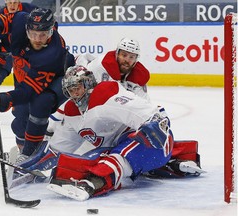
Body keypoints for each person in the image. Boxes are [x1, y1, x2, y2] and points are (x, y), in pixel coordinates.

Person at [47, 38, 203, 177]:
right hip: (94, 116)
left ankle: (163, 155)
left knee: (138, 140)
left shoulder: (138, 80)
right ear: (117, 54)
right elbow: (77, 95)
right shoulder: (100, 67)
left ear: (136, 59)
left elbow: (141, 106)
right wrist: (54, 123)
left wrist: (145, 126)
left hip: (114, 122)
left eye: (131, 57)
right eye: (123, 55)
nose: (126, 60)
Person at [17, 65, 175, 201]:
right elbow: (58, 149)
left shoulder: (105, 94)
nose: (75, 94)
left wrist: (155, 123)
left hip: (154, 144)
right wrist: (30, 166)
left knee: (119, 154)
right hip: (122, 149)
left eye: (78, 88)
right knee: (93, 156)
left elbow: (146, 111)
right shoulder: (72, 111)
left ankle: (92, 184)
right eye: (71, 90)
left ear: (89, 84)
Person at [0, 8, 75, 161]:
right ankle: (23, 149)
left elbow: (28, 91)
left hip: (54, 80)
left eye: (42, 35)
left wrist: (5, 99)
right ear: (26, 29)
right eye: (33, 34)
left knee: (40, 103)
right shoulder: (20, 21)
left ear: (51, 32)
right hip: (27, 76)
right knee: (20, 118)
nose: (37, 39)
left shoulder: (53, 53)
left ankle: (30, 154)